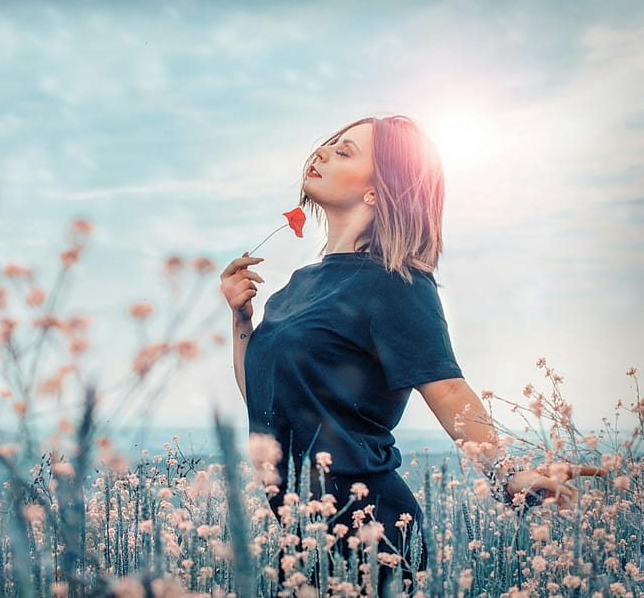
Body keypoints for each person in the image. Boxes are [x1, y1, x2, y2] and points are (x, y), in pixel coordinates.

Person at [219, 115, 602, 595]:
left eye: (345, 152)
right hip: (301, 538)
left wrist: (506, 474)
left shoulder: (397, 282)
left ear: (376, 192)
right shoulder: (299, 285)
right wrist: (241, 322)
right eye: (329, 143)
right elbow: (264, 398)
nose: (321, 153)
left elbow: (446, 387)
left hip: (371, 532)